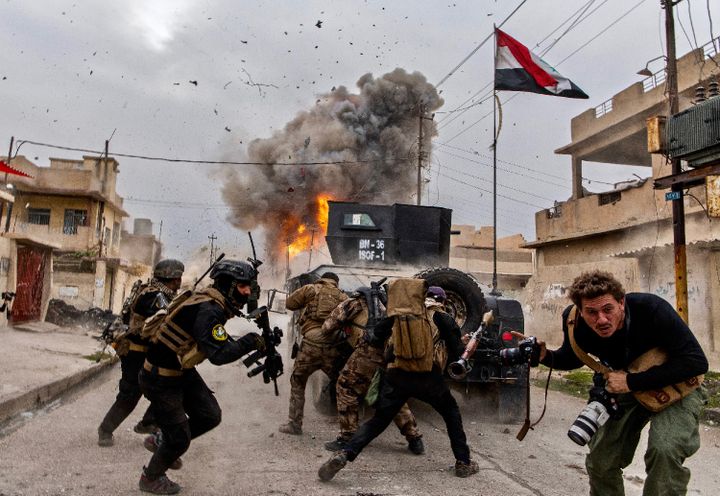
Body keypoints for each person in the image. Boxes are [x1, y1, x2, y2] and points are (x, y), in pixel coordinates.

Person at [535, 270, 708, 496]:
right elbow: (573, 357)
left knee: (664, 450)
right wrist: (545, 356)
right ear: (580, 311)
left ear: (621, 302)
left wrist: (632, 381)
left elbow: (696, 361)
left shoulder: (651, 309)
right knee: (601, 460)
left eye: (608, 309)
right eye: (592, 312)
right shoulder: (573, 322)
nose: (602, 320)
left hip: (678, 384)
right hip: (625, 385)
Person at [318, 279, 479, 481]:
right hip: (428, 378)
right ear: (442, 301)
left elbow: (376, 338)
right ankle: (463, 463)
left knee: (378, 421)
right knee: (451, 413)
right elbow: (457, 355)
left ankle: (345, 454)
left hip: (397, 375)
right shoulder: (443, 317)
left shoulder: (396, 315)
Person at [137, 259, 268, 494]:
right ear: (227, 285)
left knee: (209, 415)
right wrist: (250, 341)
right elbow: (219, 354)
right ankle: (151, 477)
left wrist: (258, 343)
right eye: (242, 286)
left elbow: (216, 339)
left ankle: (160, 440)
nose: (247, 292)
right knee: (179, 439)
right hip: (161, 379)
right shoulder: (209, 309)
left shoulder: (213, 303)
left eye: (249, 286)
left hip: (180, 373)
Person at [322, 285, 423, 454]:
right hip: (394, 354)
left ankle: (348, 437)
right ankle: (415, 438)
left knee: (346, 387)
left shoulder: (355, 303)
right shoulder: (391, 306)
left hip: (369, 353)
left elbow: (327, 327)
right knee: (392, 394)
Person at [97, 259, 185, 447]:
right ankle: (105, 429)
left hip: (149, 353)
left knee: (169, 389)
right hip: (136, 353)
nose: (180, 281)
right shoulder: (155, 295)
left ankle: (149, 422)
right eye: (178, 277)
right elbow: (167, 316)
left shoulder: (158, 292)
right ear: (172, 278)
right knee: (130, 395)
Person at [279, 272, 348, 435]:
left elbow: (289, 304)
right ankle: (349, 430)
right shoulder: (343, 297)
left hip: (310, 345)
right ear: (336, 282)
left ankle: (295, 424)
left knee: (298, 381)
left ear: (322, 279)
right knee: (345, 386)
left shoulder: (310, 289)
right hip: (332, 346)